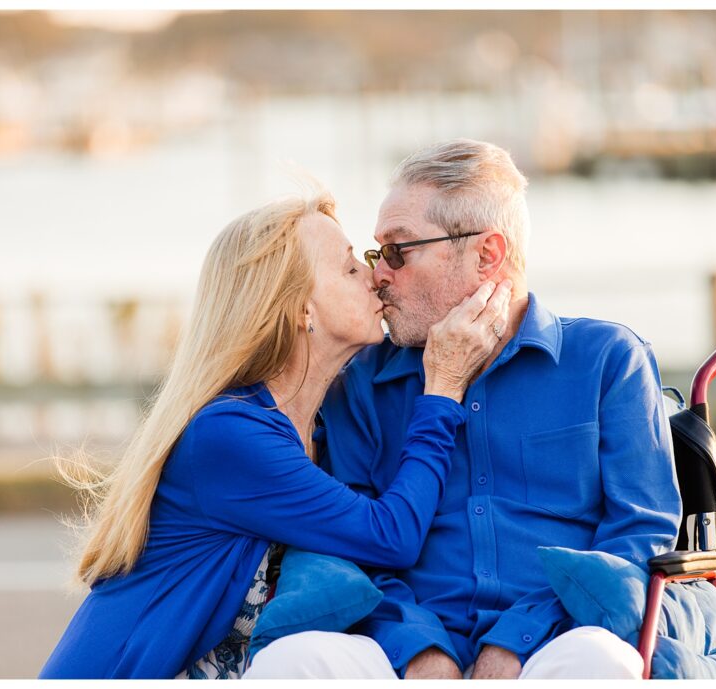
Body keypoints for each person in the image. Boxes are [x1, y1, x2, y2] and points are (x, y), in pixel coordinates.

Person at [244, 140, 682, 680]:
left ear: (487, 255)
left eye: (400, 251)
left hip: (560, 640)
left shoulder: (608, 361)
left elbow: (638, 537)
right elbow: (354, 547)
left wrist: (516, 642)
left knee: (599, 660)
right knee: (292, 661)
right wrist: (419, 648)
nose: (379, 274)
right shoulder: (361, 382)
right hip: (400, 652)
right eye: (377, 253)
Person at [39, 188, 512, 678]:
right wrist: (443, 388)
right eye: (350, 268)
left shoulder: (320, 434)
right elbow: (391, 537)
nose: (375, 277)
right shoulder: (228, 437)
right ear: (300, 309)